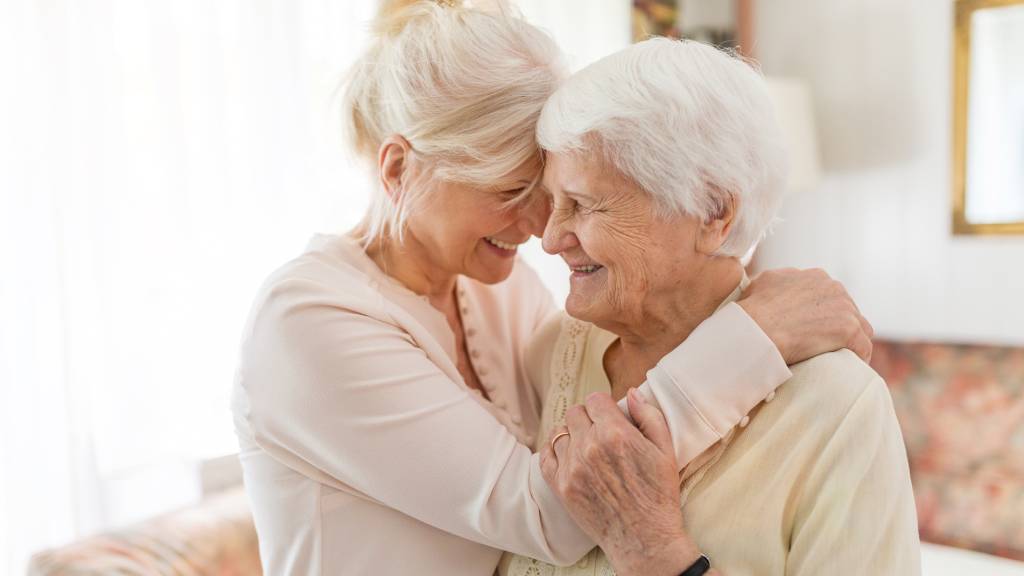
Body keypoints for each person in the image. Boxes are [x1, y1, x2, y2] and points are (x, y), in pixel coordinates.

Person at [230, 2, 875, 574]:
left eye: (554, 194)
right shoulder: (309, 323)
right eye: (510, 193)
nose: (541, 229)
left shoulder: (497, 292)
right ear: (399, 169)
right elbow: (554, 513)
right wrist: (753, 337)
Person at [500, 38, 921, 576]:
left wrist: (654, 552)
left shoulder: (838, 407)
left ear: (711, 212)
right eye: (553, 203)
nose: (552, 238)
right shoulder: (550, 352)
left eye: (583, 205)